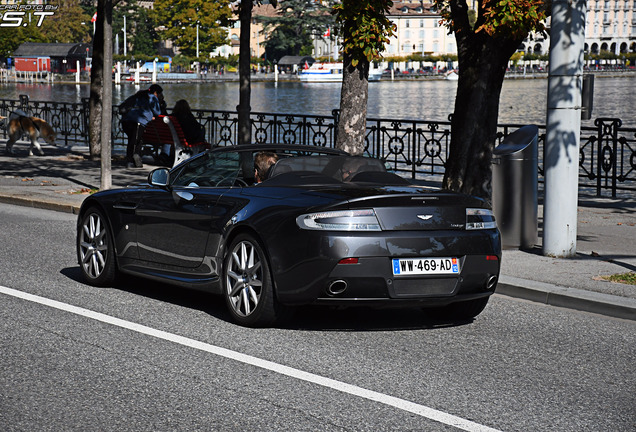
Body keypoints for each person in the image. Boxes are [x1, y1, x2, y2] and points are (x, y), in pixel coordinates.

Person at [120, 84, 164, 168]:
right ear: (155, 92)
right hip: (138, 121)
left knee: (133, 140)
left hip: (125, 120)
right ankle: (130, 161)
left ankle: (135, 159)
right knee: (134, 141)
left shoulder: (138, 95)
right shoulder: (152, 97)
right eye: (160, 93)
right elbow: (158, 112)